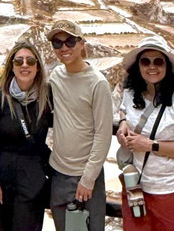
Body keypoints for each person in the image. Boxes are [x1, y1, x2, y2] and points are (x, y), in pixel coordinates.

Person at [116, 35, 174, 231]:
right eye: (146, 61)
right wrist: (122, 123)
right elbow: (123, 109)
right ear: (138, 66)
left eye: (158, 61)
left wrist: (149, 145)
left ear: (167, 66)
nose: (151, 67)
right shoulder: (130, 94)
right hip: (137, 186)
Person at [45, 19, 113, 231]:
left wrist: (88, 178)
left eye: (70, 41)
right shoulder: (55, 77)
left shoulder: (98, 83)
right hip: (59, 172)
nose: (64, 48)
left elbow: (103, 135)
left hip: (85, 175)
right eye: (57, 43)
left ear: (82, 43)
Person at [0, 41, 52, 231]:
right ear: (11, 66)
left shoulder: (46, 97)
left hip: (32, 179)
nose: (24, 65)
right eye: (19, 61)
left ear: (38, 67)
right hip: (2, 179)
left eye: (30, 61)